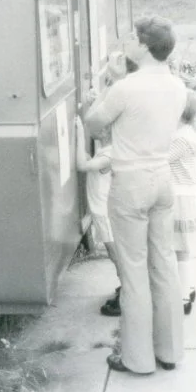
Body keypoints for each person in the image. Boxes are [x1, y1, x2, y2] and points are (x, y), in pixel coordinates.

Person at [86, 15, 188, 375]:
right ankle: (170, 351)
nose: (126, 41)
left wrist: (109, 84)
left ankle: (138, 359)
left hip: (130, 181)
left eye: (131, 36)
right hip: (162, 179)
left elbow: (93, 123)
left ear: (144, 46)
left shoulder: (125, 88)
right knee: (163, 265)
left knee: (133, 272)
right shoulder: (177, 87)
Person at [169, 91, 196, 315]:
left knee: (180, 249)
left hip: (179, 199)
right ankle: (189, 287)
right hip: (185, 197)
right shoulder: (188, 133)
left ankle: (183, 296)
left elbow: (160, 158)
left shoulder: (180, 139)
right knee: (181, 248)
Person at [73, 115, 122, 316]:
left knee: (116, 254)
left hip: (105, 212)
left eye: (97, 128)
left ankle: (127, 293)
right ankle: (128, 286)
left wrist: (77, 133)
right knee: (115, 253)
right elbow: (85, 158)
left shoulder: (109, 155)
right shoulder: (105, 151)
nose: (93, 130)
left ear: (105, 132)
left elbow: (82, 166)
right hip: (103, 211)